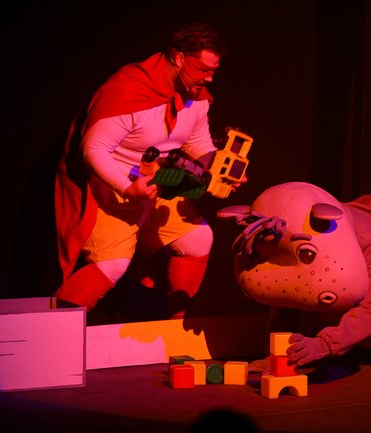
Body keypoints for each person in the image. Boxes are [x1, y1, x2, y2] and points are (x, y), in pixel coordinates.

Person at [54, 22, 244, 318]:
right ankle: (54, 329)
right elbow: (94, 149)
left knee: (198, 239)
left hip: (158, 184)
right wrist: (128, 187)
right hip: (113, 189)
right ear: (179, 58)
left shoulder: (195, 96)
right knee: (112, 265)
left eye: (213, 71)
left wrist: (220, 169)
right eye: (203, 69)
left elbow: (197, 142)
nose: (209, 78)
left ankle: (174, 327)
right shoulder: (128, 91)